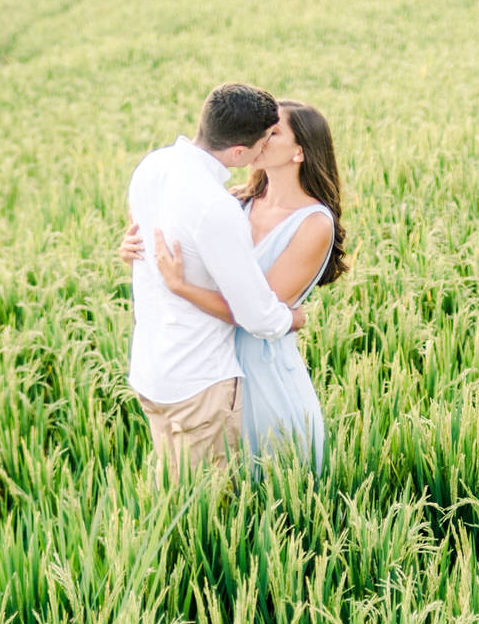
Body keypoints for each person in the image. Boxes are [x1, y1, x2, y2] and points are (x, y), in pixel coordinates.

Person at [121, 99, 347, 474]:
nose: (261, 135)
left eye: (273, 132)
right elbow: (178, 245)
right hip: (212, 363)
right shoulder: (233, 202)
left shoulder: (313, 224)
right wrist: (134, 245)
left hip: (259, 372)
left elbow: (257, 314)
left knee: (267, 490)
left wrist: (181, 286)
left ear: (299, 153)